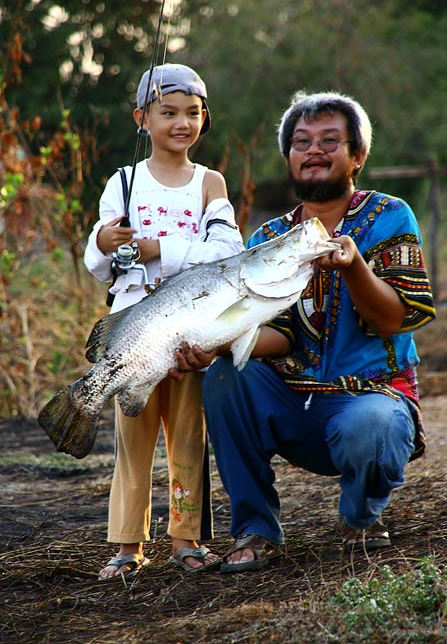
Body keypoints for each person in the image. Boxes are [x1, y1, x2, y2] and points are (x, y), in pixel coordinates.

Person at [172, 90, 436, 572]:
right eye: (301, 141)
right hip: (293, 404)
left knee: (372, 429)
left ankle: (361, 518)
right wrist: (213, 345)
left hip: (370, 403)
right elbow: (279, 336)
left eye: (330, 140)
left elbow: (394, 319)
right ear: (289, 157)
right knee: (227, 374)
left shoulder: (389, 216)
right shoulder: (269, 239)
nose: (314, 149)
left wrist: (354, 266)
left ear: (357, 156)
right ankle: (255, 529)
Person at [84, 63, 244, 579]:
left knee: (187, 435)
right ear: (142, 118)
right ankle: (128, 545)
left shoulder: (210, 182)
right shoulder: (122, 181)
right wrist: (103, 243)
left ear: (205, 119)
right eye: (168, 112)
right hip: (134, 331)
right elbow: (102, 255)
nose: (181, 122)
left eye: (192, 113)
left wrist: (156, 247)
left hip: (191, 332)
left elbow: (225, 250)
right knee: (133, 441)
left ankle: (185, 538)